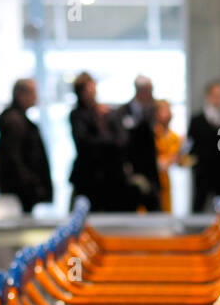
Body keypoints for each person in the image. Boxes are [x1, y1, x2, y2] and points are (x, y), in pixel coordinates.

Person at [0, 78, 53, 213]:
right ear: (21, 95)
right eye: (33, 93)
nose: (36, 97)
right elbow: (14, 156)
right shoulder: (14, 121)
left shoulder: (19, 120)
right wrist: (28, 181)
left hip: (21, 186)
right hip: (19, 188)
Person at [68, 71, 123, 210]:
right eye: (89, 90)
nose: (93, 93)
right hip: (88, 176)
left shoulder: (106, 113)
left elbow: (121, 139)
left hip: (110, 175)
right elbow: (85, 143)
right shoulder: (78, 115)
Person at [111, 76, 161, 211]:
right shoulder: (121, 112)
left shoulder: (153, 111)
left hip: (150, 173)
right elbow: (120, 142)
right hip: (129, 172)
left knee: (155, 212)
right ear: (141, 91)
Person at [185, 80, 220, 213]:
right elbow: (191, 145)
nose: (219, 99)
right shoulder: (197, 120)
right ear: (208, 96)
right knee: (199, 203)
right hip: (202, 171)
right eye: (215, 95)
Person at [152, 99, 184, 214]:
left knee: (166, 209)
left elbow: (179, 160)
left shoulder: (174, 137)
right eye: (163, 111)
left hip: (165, 179)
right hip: (153, 178)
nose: (167, 114)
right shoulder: (152, 133)